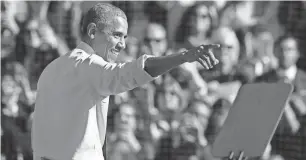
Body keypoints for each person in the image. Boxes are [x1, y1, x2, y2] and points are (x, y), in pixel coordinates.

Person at [31, 3, 220, 160]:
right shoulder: (88, 65)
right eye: (117, 35)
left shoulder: (51, 69)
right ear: (92, 31)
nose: (122, 44)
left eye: (125, 37)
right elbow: (130, 73)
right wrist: (183, 57)